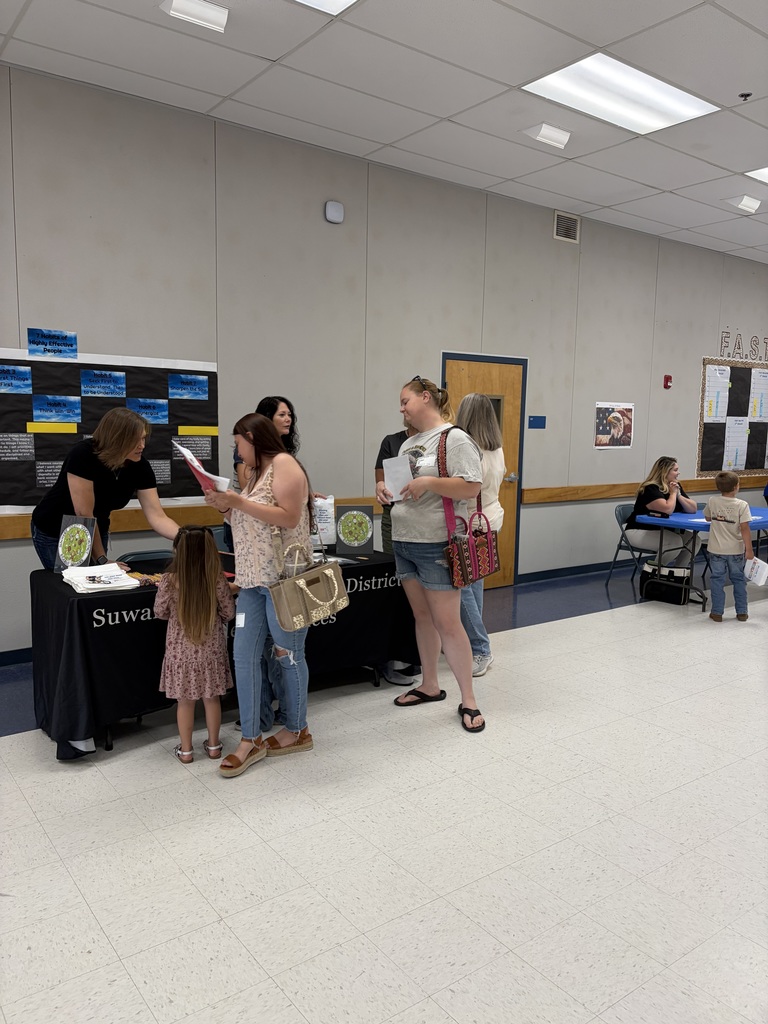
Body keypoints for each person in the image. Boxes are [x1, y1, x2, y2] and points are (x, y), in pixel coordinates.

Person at [205, 412, 315, 777]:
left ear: (253, 438)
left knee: (288, 654)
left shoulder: (285, 465)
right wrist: (226, 507)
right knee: (243, 656)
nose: (237, 453)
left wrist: (236, 502)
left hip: (284, 581)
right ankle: (250, 739)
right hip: (252, 582)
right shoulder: (253, 475)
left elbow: (288, 517)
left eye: (238, 445)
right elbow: (250, 521)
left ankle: (298, 729)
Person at [375, 376, 486, 733]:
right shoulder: (410, 442)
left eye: (405, 401)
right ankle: (430, 685)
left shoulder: (453, 438)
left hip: (436, 543)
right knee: (422, 618)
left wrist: (429, 482)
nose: (401, 408)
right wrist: (384, 489)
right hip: (404, 541)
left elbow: (471, 486)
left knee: (448, 623)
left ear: (426, 397)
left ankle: (469, 700)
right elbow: (404, 488)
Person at [31, 407, 179, 569]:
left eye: (143, 438)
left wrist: (185, 537)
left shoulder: (140, 466)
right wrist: (102, 559)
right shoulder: (83, 454)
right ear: (117, 438)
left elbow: (157, 516)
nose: (142, 446)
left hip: (96, 527)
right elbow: (84, 514)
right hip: (57, 530)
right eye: (135, 440)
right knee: (70, 580)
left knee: (97, 578)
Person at [154, 525, 235, 762]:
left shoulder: (169, 580)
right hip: (212, 652)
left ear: (177, 550)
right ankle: (214, 746)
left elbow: (159, 611)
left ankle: (186, 750)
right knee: (212, 699)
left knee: (185, 703)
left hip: (180, 653)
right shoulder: (216, 579)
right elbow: (229, 612)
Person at [455, 393, 505, 677]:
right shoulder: (496, 448)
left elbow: (467, 489)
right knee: (474, 586)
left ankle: (480, 648)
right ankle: (472, 643)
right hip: (490, 519)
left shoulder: (471, 450)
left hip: (472, 523)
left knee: (462, 587)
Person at [624, 456, 700, 567]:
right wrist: (673, 494)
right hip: (639, 530)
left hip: (663, 530)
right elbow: (667, 510)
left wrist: (678, 495)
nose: (678, 473)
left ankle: (678, 572)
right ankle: (655, 572)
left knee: (694, 541)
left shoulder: (674, 486)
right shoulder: (650, 488)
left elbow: (693, 509)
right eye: (675, 470)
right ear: (665, 472)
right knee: (674, 542)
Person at [703, 471, 753, 622]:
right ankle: (742, 612)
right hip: (735, 550)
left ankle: (717, 612)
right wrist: (749, 550)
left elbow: (707, 517)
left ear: (718, 487)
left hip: (716, 550)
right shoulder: (742, 505)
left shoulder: (712, 501)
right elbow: (745, 528)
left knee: (717, 580)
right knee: (738, 580)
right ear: (736, 486)